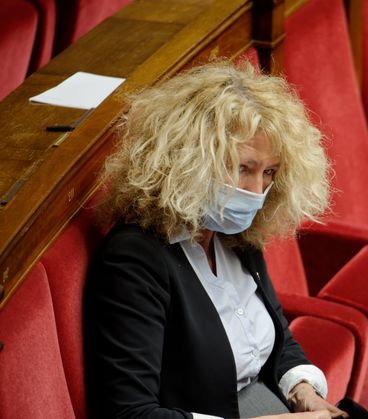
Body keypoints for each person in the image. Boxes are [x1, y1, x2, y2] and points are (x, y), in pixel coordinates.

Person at [84, 60, 348, 419]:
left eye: (269, 172)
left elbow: (278, 337)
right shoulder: (134, 259)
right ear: (190, 161)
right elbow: (130, 413)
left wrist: (304, 391)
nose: (257, 192)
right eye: (243, 168)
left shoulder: (236, 234)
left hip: (266, 402)